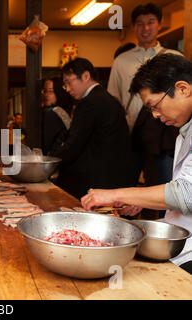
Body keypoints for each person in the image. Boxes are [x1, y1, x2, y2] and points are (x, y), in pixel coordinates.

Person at [82, 53, 192, 273]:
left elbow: (186, 193)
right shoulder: (182, 133)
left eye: (154, 105)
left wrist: (114, 194)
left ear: (182, 89)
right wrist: (143, 201)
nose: (154, 115)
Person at [107, 3, 182, 193]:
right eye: (140, 24)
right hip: (131, 136)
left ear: (160, 24)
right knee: (126, 190)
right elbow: (113, 100)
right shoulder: (121, 61)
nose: (145, 28)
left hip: (165, 135)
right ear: (133, 27)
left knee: (166, 188)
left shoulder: (175, 58)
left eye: (150, 22)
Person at [49, 57, 134, 199]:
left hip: (94, 180)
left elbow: (75, 144)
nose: (68, 89)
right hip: (114, 176)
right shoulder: (110, 99)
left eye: (69, 82)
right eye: (65, 85)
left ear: (86, 76)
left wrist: (51, 160)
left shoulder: (88, 103)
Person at [41, 77, 73, 155]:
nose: (46, 95)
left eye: (51, 91)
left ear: (59, 92)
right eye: (45, 91)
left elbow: (46, 145)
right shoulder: (64, 111)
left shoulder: (52, 113)